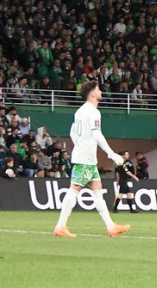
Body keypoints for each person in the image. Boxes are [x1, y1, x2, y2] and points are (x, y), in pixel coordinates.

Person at [53, 81, 130, 238]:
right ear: (93, 94)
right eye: (99, 89)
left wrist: (80, 145)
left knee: (97, 193)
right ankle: (60, 226)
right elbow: (97, 134)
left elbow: (73, 132)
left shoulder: (79, 112)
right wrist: (111, 154)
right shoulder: (94, 112)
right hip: (85, 159)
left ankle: (111, 226)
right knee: (74, 190)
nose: (101, 91)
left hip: (86, 157)